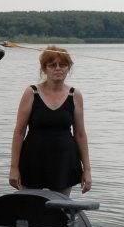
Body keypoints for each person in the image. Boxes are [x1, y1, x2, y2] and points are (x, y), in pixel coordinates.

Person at [9, 46, 92, 195]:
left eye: (62, 65)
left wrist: (87, 170)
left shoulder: (75, 95)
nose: (58, 69)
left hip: (64, 161)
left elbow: (80, 134)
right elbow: (19, 132)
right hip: (33, 160)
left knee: (60, 210)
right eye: (52, 65)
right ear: (44, 68)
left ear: (68, 68)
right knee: (30, 207)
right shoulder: (31, 92)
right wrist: (14, 168)